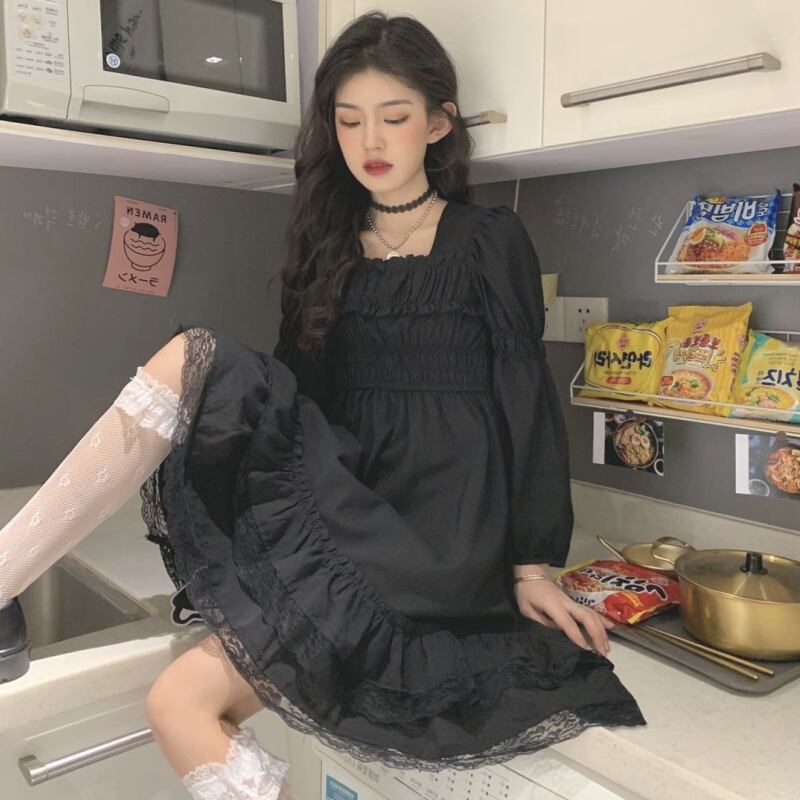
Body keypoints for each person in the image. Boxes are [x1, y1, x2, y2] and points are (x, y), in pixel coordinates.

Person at [0, 11, 646, 799]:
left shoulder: (489, 240)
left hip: (443, 530)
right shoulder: (327, 243)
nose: (369, 139)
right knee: (177, 704)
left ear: (439, 124)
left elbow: (527, 399)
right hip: (354, 509)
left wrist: (532, 563)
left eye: (394, 117)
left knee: (178, 697)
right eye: (348, 120)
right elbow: (298, 398)